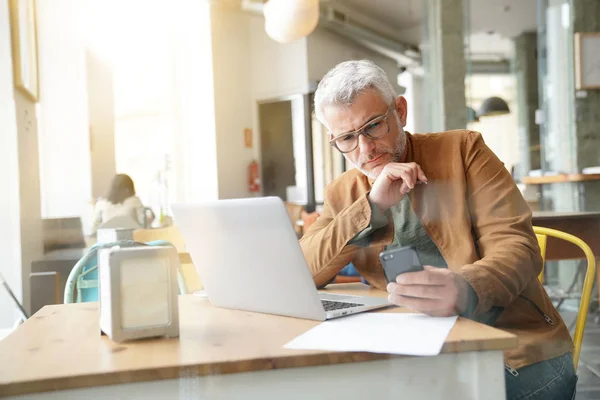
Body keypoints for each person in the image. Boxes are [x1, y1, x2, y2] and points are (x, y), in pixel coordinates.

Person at [300, 60, 576, 399]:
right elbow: (302, 270)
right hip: (416, 351)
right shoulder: (343, 192)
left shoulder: (464, 151)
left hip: (518, 347)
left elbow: (519, 249)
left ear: (399, 111)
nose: (365, 149)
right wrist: (371, 205)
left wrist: (465, 287)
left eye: (373, 126)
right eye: (346, 138)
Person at [82, 174, 154, 237]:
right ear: (129, 188)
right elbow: (143, 225)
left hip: (108, 244)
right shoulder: (135, 201)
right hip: (132, 242)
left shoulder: (102, 203)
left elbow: (93, 228)